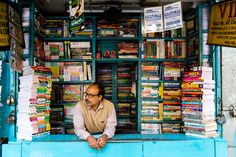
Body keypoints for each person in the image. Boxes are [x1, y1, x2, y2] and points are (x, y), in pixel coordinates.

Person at [73, 83, 117, 150]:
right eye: (86, 94)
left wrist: (105, 136)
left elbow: (111, 126)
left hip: (103, 138)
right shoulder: (80, 106)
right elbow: (78, 128)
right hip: (86, 138)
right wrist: (88, 137)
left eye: (91, 95)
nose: (87, 98)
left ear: (100, 97)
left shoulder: (109, 106)